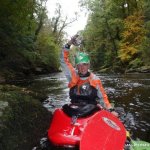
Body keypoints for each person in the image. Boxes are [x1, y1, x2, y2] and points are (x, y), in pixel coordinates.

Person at [60, 35, 118, 116]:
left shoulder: (95, 79)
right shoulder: (72, 75)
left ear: (88, 65)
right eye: (79, 65)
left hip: (91, 110)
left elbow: (103, 97)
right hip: (74, 109)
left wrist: (111, 110)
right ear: (76, 66)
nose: (82, 67)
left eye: (85, 64)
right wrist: (69, 43)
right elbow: (63, 60)